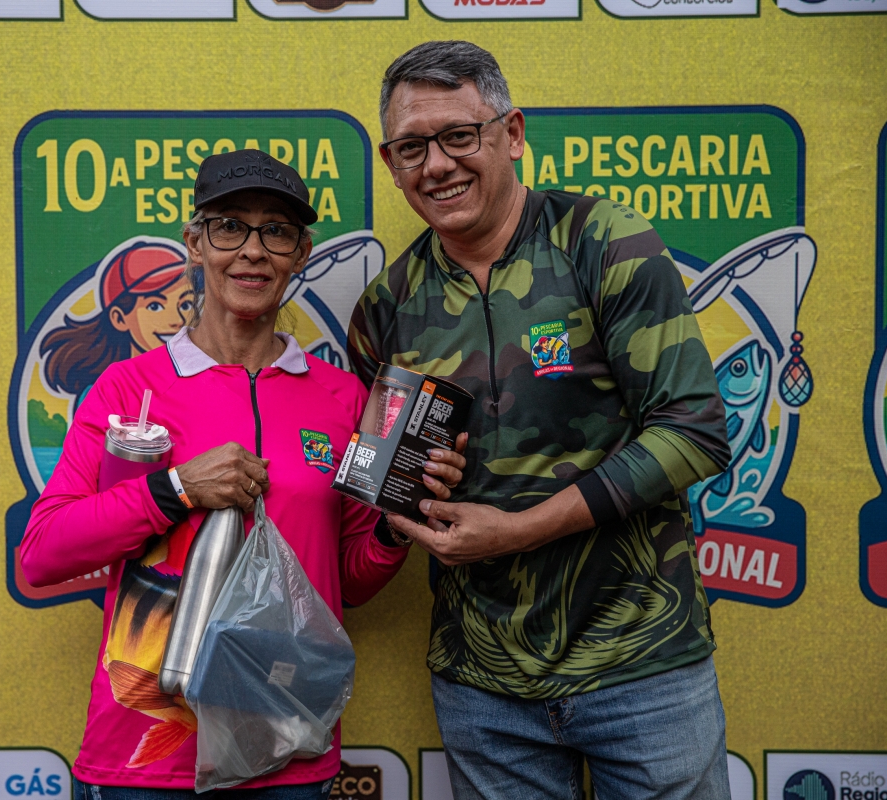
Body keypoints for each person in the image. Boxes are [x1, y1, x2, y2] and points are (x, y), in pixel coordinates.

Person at [348, 41, 734, 800]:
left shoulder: (604, 243)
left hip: (641, 665)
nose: (437, 165)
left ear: (513, 133)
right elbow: (378, 485)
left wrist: (519, 530)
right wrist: (409, 495)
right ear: (391, 164)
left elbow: (692, 431)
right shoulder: (387, 306)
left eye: (460, 135)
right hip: (481, 682)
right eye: (412, 147)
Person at [21, 149, 463, 799]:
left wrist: (397, 527)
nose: (252, 250)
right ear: (194, 243)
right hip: (145, 756)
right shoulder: (128, 388)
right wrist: (174, 489)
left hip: (287, 748)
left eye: (276, 231)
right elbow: (43, 554)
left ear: (300, 253)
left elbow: (347, 582)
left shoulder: (343, 398)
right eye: (229, 227)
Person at [41, 241, 194, 411]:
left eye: (185, 305)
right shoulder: (106, 391)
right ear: (119, 318)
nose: (177, 320)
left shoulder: (201, 380)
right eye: (154, 306)